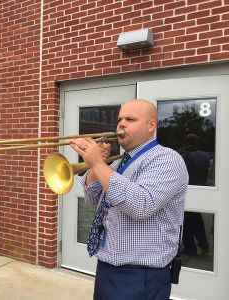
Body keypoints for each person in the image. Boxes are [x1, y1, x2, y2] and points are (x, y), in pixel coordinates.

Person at [70, 99, 189, 300]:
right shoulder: (117, 163)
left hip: (142, 275)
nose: (121, 124)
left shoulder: (166, 159)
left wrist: (98, 163)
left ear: (151, 125)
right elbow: (92, 200)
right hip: (108, 266)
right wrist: (94, 165)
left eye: (130, 119)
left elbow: (141, 205)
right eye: (119, 119)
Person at [181, 134, 210, 256]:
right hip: (202, 188)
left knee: (188, 222)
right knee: (197, 220)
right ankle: (203, 244)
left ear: (188, 143)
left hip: (190, 189)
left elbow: (184, 172)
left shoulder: (188, 156)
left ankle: (190, 248)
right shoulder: (205, 156)